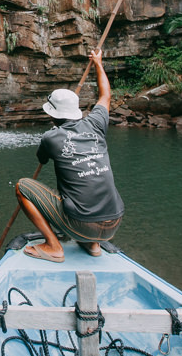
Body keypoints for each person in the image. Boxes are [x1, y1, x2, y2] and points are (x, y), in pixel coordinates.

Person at [15, 49, 124, 261]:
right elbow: (106, 96)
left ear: (51, 114)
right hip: (113, 224)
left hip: (82, 224)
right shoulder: (96, 123)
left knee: (22, 186)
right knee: (81, 190)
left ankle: (53, 246)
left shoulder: (50, 138)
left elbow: (42, 159)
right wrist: (98, 63)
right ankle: (92, 245)